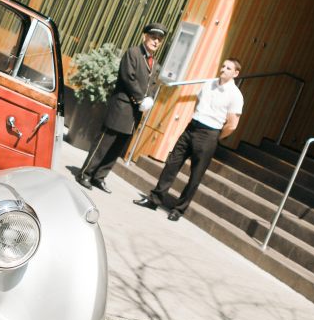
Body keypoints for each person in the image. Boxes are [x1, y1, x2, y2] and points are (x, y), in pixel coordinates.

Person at [134, 58, 243, 221]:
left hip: (209, 134)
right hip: (191, 128)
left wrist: (216, 136)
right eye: (223, 66)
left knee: (195, 176)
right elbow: (198, 102)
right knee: (172, 163)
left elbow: (232, 124)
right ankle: (155, 199)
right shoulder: (209, 84)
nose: (223, 69)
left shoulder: (235, 95)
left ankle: (178, 210)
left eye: (228, 68)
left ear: (235, 73)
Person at [75, 22, 166, 192]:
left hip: (134, 114)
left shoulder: (154, 63)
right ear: (144, 36)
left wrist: (151, 99)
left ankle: (99, 177)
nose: (156, 41)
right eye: (153, 37)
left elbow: (152, 85)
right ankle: (85, 174)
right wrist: (141, 99)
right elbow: (127, 77)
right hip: (122, 107)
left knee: (118, 147)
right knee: (104, 143)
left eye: (159, 39)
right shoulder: (133, 53)